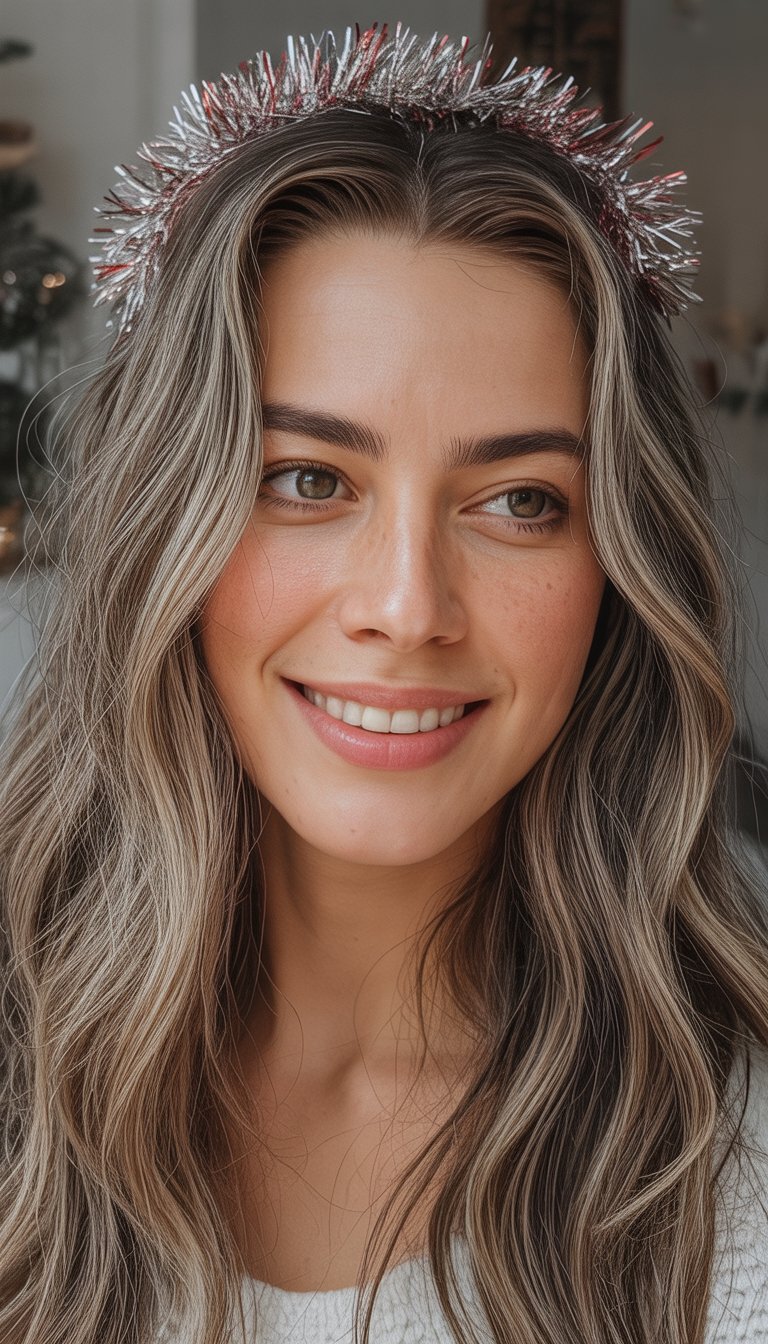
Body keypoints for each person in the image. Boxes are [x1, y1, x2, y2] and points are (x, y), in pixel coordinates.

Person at [1, 23, 767, 1344]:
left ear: (622, 567)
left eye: (522, 501)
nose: (408, 608)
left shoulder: (730, 1164)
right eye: (308, 480)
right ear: (165, 519)